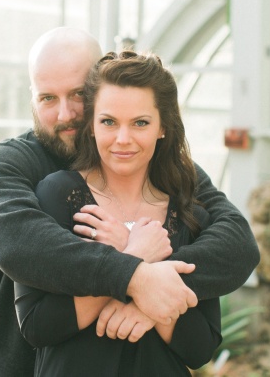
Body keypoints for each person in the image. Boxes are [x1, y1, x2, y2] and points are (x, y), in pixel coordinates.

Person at [0, 27, 259, 376]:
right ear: (32, 96)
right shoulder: (7, 166)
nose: (64, 115)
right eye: (47, 98)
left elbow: (236, 244)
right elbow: (26, 246)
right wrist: (135, 271)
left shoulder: (166, 172)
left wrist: (153, 292)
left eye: (77, 94)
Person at [14, 50, 222, 375]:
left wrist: (147, 299)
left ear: (163, 127)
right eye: (109, 122)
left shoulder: (189, 214)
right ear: (92, 126)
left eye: (140, 123)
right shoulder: (56, 195)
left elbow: (199, 348)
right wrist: (136, 259)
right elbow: (36, 325)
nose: (123, 140)